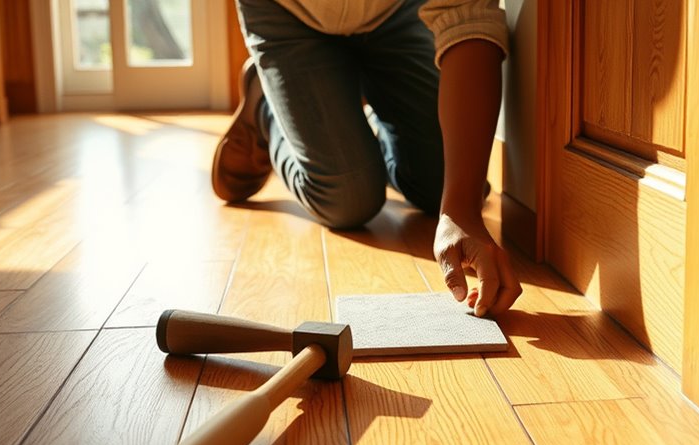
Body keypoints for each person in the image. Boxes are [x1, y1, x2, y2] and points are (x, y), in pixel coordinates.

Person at [213, 0, 522, 317]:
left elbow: (470, 16)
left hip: (400, 10)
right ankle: (267, 107)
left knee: (441, 183)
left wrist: (462, 212)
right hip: (289, 15)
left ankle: (362, 122)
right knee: (347, 198)